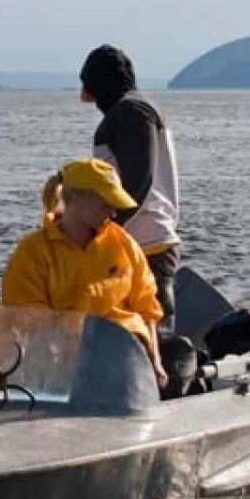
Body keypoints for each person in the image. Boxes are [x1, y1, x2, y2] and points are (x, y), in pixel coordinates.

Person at [2, 158, 168, 388]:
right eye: (105, 203)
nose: (112, 211)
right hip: (65, 369)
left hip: (127, 360)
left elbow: (147, 309)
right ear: (78, 201)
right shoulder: (32, 253)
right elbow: (27, 320)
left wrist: (156, 363)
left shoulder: (123, 243)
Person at [79, 45, 180, 327]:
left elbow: (138, 179)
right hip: (144, 239)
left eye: (95, 92)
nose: (95, 103)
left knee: (150, 328)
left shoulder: (130, 111)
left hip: (145, 241)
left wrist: (103, 226)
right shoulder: (136, 109)